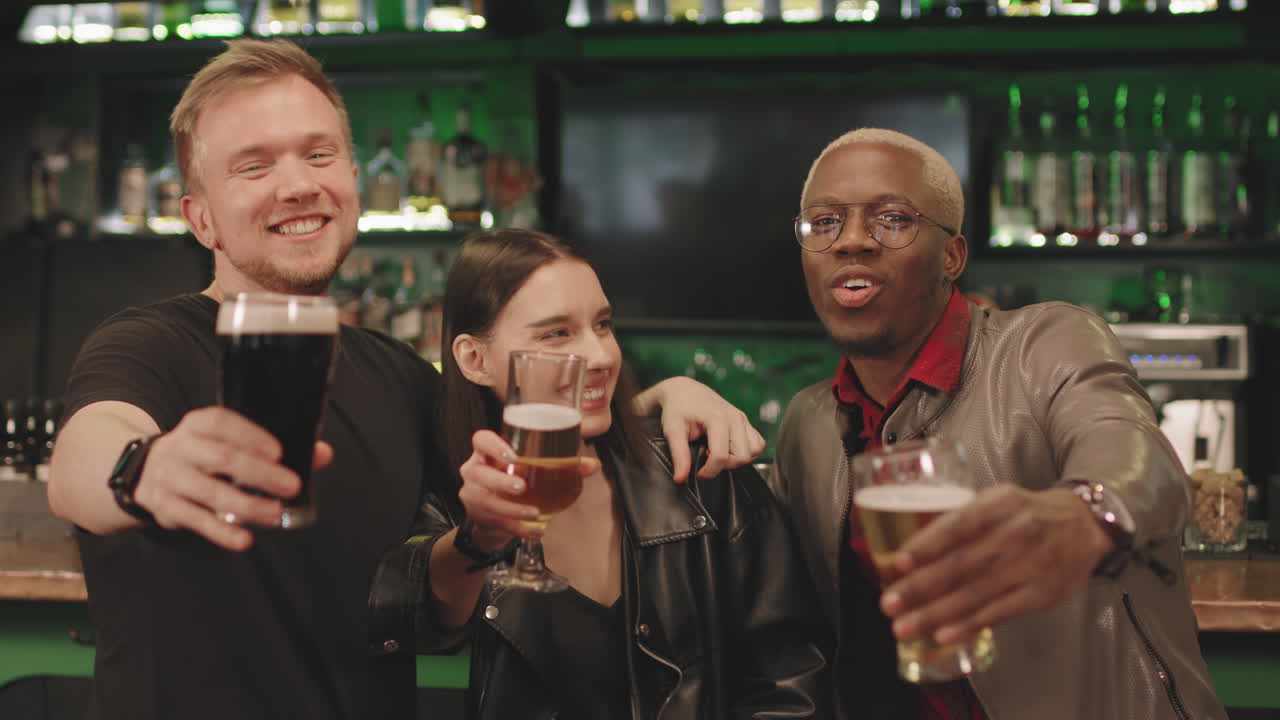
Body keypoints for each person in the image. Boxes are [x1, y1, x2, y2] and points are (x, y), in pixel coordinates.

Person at [45, 38, 764, 720]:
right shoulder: (149, 345)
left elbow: (528, 455)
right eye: (254, 167)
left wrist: (661, 398)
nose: (298, 184)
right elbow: (82, 456)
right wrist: (143, 470)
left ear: (353, 181)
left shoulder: (396, 376)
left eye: (319, 154)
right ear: (200, 219)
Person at [774, 127, 1226, 719]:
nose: (852, 240)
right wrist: (670, 401)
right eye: (825, 222)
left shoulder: (1045, 345)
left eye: (892, 219)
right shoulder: (807, 425)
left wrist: (1085, 514)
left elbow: (1140, 456)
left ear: (952, 257)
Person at [412, 228, 828, 719]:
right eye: (556, 333)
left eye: (603, 324)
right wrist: (475, 544)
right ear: (475, 360)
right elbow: (418, 664)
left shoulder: (701, 475)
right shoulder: (442, 518)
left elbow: (792, 683)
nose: (602, 356)